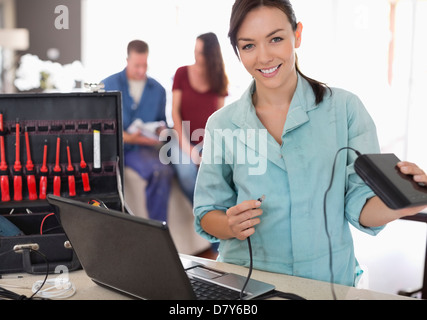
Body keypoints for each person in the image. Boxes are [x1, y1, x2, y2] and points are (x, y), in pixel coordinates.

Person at [193, 0, 427, 287]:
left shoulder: (345, 109)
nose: (264, 57)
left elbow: (360, 204)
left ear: (298, 34)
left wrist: (401, 204)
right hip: (245, 281)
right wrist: (229, 224)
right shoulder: (222, 123)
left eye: (276, 39)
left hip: (325, 279)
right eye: (248, 45)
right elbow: (206, 212)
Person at [102, 40, 174, 222]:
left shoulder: (158, 90)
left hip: (144, 149)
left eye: (145, 65)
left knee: (162, 171)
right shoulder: (107, 84)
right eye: (137, 65)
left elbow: (161, 121)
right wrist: (126, 137)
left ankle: (159, 229)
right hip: (114, 149)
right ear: (127, 60)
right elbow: (100, 125)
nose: (141, 70)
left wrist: (159, 131)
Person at [170, 32, 228, 203]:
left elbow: (220, 120)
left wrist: (208, 151)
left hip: (207, 142)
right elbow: (175, 113)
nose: (196, 55)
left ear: (211, 55)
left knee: (219, 174)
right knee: (187, 173)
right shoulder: (181, 73)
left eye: (201, 52)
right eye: (195, 50)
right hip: (181, 138)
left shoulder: (219, 79)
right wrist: (190, 151)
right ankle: (203, 213)